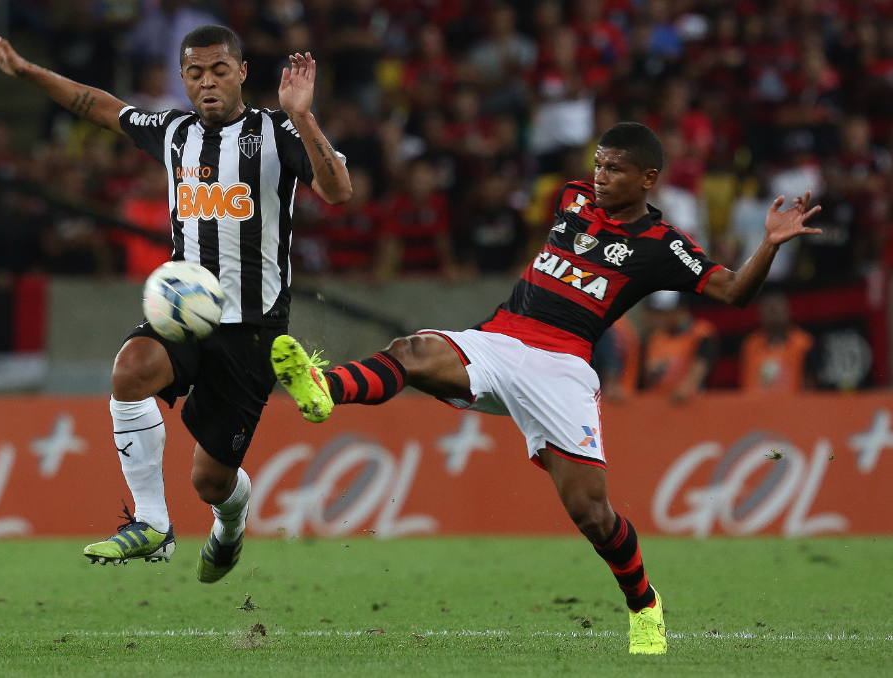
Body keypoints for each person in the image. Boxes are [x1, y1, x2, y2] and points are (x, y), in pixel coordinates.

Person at [269, 122, 821, 655]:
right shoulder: (573, 198)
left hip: (562, 368)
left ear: (648, 178)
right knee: (411, 351)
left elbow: (732, 292)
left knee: (591, 514)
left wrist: (769, 246)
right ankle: (322, 386)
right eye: (599, 165)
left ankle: (644, 603)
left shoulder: (661, 243)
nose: (601, 177)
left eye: (616, 170)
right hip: (500, 338)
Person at [0, 25, 351, 582]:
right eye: (194, 73)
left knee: (211, 483)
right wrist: (27, 72)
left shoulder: (277, 131)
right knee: (129, 372)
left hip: (252, 330)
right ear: (182, 79)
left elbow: (339, 190)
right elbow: (99, 106)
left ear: (242, 73)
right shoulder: (173, 132)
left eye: (220, 70)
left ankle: (230, 523)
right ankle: (152, 523)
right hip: (187, 311)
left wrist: (303, 115)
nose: (208, 82)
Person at [640, 290, 717, 402]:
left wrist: (686, 388)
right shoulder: (653, 338)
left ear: (680, 311)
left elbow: (700, 368)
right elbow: (644, 379)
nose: (659, 318)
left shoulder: (700, 333)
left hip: (690, 405)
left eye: (664, 312)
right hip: (657, 405)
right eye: (657, 312)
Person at [740, 293, 815, 392]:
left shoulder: (804, 342)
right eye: (769, 310)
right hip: (757, 405)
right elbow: (745, 383)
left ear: (788, 311)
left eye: (776, 309)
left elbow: (810, 384)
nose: (773, 315)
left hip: (792, 405)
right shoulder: (751, 343)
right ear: (760, 314)